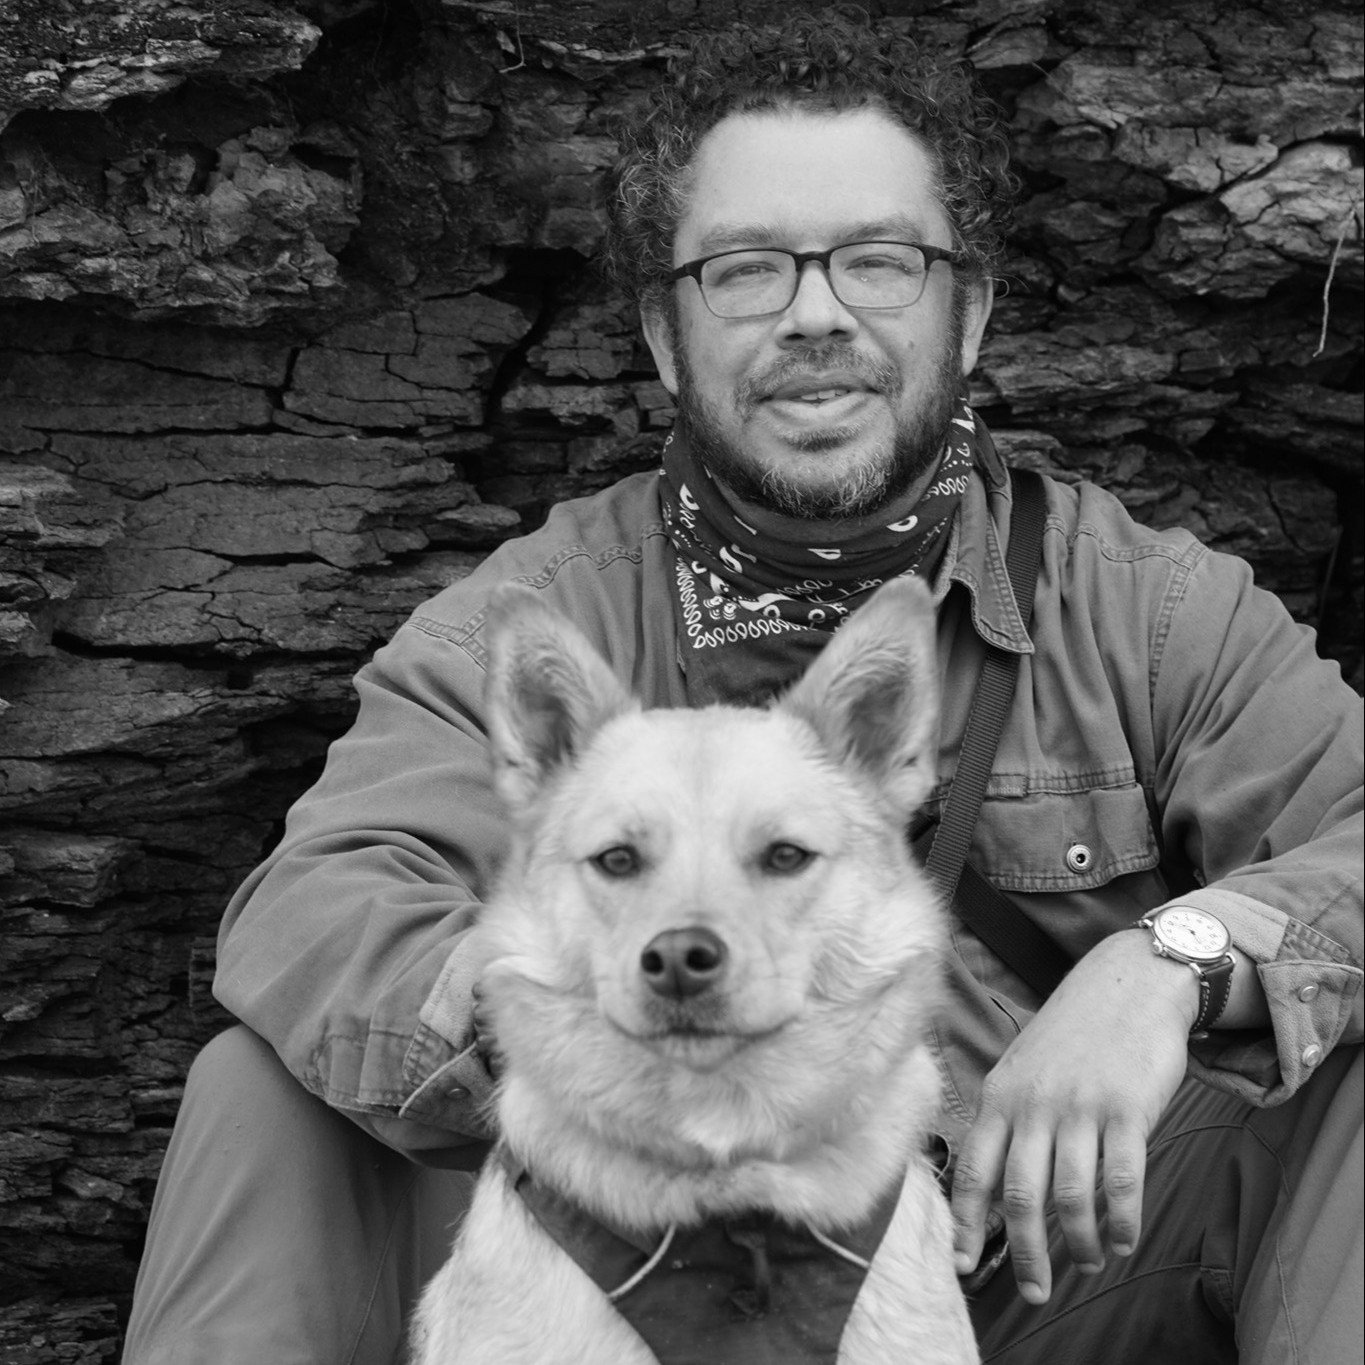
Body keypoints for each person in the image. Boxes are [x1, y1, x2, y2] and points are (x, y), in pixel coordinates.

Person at [124, 16, 1362, 1364]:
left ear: (970, 311)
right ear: (667, 335)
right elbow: (318, 903)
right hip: (621, 1268)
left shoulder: (1150, 607)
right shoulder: (538, 621)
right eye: (747, 269)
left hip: (1053, 1261)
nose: (815, 314)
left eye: (878, 261)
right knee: (258, 1087)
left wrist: (1172, 962)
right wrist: (603, 1033)